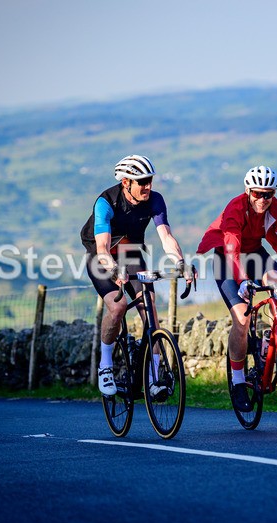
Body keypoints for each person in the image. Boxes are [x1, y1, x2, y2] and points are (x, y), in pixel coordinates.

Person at [196, 165, 277, 412]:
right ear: (248, 191)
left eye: (269, 194)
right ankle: (237, 382)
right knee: (242, 317)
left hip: (255, 252)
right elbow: (232, 250)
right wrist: (244, 280)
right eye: (258, 193)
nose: (263, 199)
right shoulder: (235, 208)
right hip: (227, 258)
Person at [80, 154, 191, 398]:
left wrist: (181, 263)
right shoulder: (106, 202)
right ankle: (106, 365)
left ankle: (153, 376)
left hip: (130, 253)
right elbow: (101, 249)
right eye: (142, 181)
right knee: (118, 306)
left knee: (148, 307)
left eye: (149, 180)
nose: (148, 186)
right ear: (126, 183)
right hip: (102, 256)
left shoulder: (155, 200)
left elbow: (166, 237)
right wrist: (113, 271)